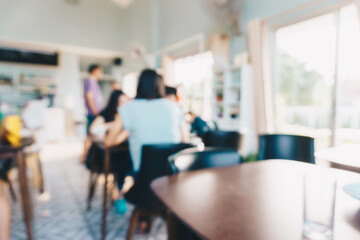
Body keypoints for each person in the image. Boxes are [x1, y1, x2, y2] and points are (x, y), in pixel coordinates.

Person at [105, 69, 185, 173]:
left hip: (143, 178)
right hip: (172, 176)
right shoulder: (174, 107)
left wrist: (127, 132)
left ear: (139, 85)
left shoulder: (128, 108)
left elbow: (108, 142)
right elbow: (184, 141)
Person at [86, 90, 132, 214]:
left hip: (121, 153)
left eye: (125, 102)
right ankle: (120, 193)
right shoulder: (105, 115)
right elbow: (93, 130)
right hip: (102, 157)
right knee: (123, 162)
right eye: (121, 102)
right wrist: (113, 125)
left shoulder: (128, 117)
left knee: (127, 159)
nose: (123, 105)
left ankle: (120, 192)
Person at [82, 64, 104, 163]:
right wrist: (95, 112)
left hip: (95, 113)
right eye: (100, 71)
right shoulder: (90, 81)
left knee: (90, 135)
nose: (101, 74)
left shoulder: (93, 82)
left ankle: (85, 156)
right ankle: (84, 156)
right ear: (94, 71)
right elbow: (89, 97)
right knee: (90, 135)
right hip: (93, 114)